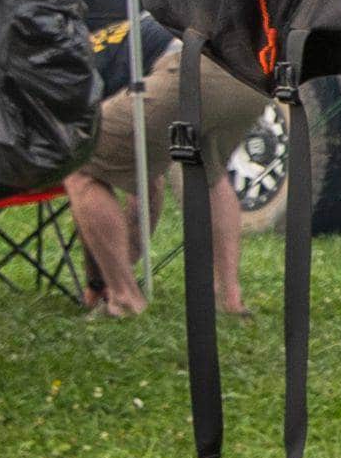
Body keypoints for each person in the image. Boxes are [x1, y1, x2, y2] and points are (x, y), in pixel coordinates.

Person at [67, 38, 265, 320]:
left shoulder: (75, 72)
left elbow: (147, 184)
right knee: (208, 172)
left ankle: (123, 298)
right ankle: (229, 300)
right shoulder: (100, 41)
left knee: (79, 159)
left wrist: (99, 281)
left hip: (196, 68)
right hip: (254, 74)